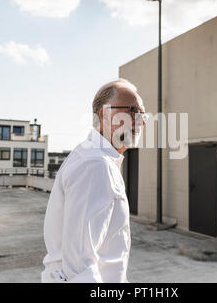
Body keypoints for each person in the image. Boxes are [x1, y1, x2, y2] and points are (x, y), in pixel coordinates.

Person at [42, 79, 147, 283]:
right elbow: (79, 267)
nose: (141, 120)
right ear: (103, 115)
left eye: (143, 114)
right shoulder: (95, 165)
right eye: (132, 111)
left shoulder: (95, 158)